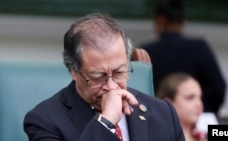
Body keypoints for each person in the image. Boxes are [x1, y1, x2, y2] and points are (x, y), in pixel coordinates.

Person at [23, 12, 185, 141]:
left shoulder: (164, 113)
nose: (112, 86)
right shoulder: (44, 121)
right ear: (74, 70)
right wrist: (106, 122)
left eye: (119, 72)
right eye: (98, 77)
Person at [141, 0, 226, 116]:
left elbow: (140, 92)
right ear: (183, 20)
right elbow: (219, 87)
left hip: (159, 117)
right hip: (198, 118)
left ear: (160, 19)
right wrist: (206, 111)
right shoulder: (199, 47)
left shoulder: (146, 52)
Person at [156, 72, 206, 141]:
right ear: (168, 103)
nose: (199, 104)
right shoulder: (155, 136)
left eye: (200, 98)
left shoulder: (204, 136)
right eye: (190, 98)